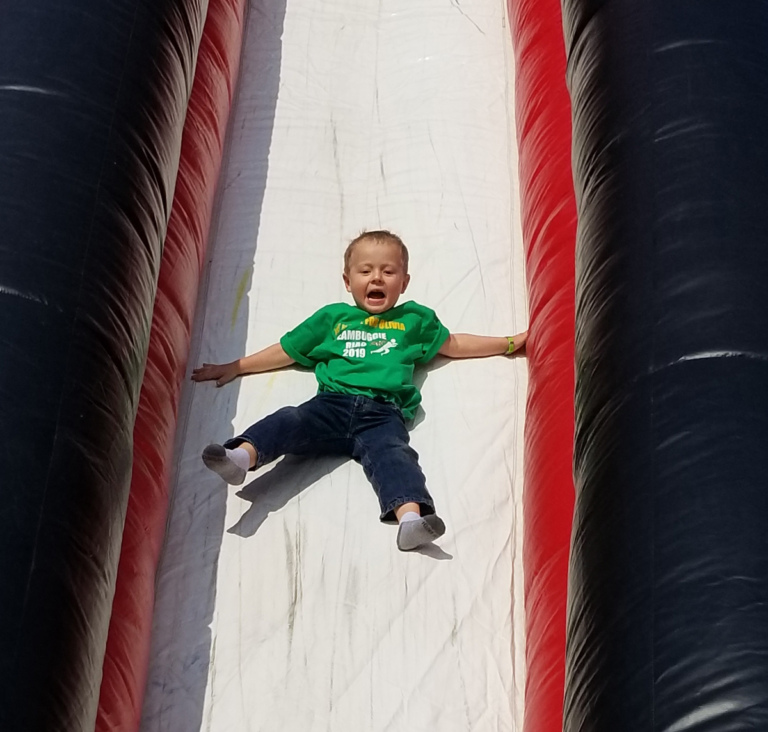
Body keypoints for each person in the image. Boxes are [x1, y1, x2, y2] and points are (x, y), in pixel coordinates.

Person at [192, 230, 527, 551]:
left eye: (388, 271)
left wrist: (508, 343)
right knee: (290, 418)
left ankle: (410, 520)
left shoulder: (414, 320)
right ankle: (240, 457)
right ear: (348, 281)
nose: (376, 278)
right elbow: (286, 349)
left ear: (404, 282)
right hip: (331, 405)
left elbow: (454, 344)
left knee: (395, 455)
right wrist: (237, 365)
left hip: (383, 415)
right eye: (365, 270)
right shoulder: (333, 319)